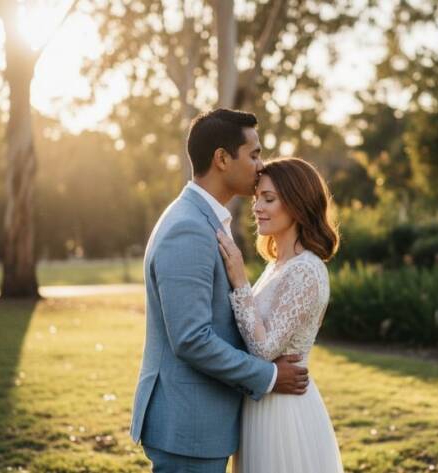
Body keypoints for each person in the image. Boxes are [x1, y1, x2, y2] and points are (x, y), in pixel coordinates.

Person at [129, 109, 309, 473]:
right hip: (188, 426)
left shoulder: (203, 219)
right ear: (222, 159)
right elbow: (192, 338)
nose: (261, 165)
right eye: (254, 154)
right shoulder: (189, 229)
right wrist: (270, 377)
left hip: (200, 423)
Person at [216, 157, 344, 473]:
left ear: (298, 204)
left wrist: (239, 281)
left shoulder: (306, 269)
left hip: (284, 411)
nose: (257, 207)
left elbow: (263, 348)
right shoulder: (277, 266)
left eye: (269, 199)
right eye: (257, 197)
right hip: (262, 402)